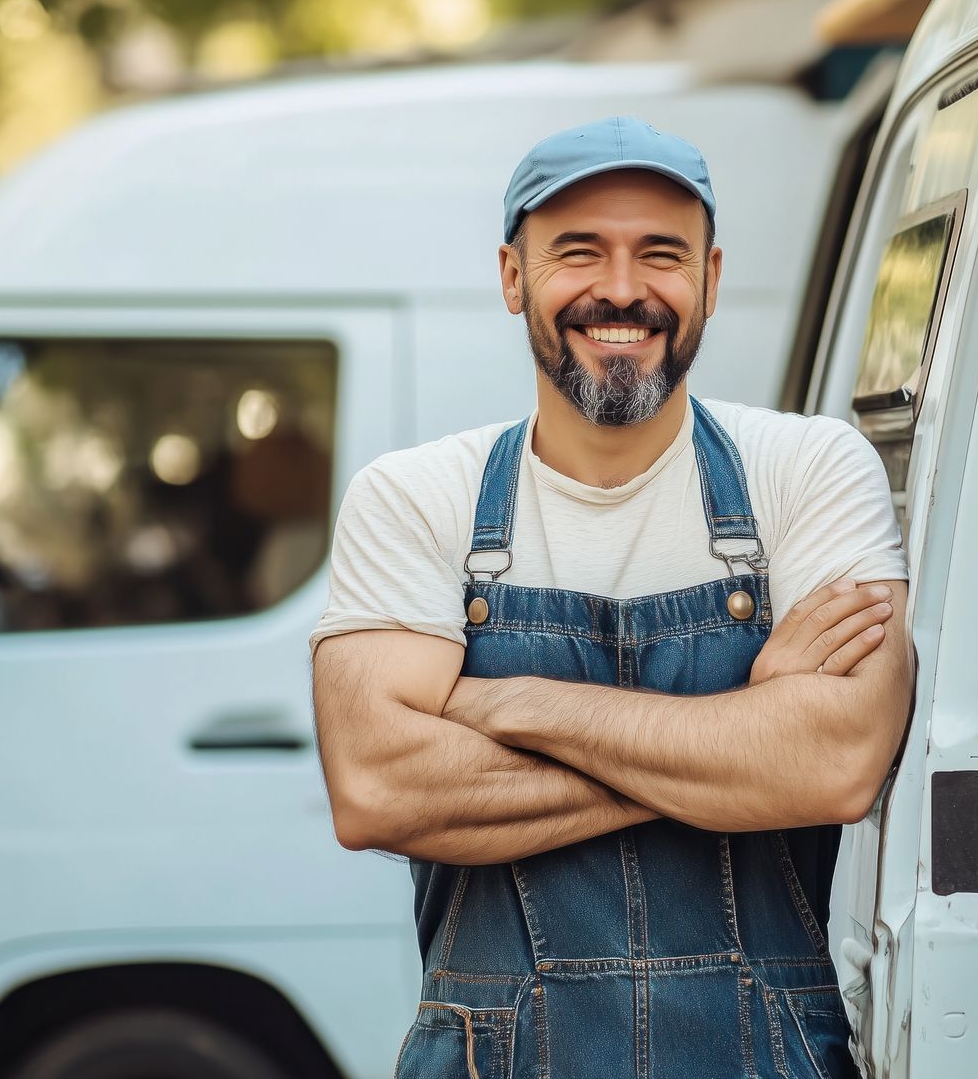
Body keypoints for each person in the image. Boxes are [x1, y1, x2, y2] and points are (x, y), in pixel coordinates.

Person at [308, 116, 911, 1079]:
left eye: (661, 254)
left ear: (711, 277)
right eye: (579, 252)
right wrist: (738, 745)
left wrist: (508, 703)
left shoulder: (807, 470)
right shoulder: (416, 497)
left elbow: (836, 765)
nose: (623, 289)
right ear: (514, 276)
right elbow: (377, 791)